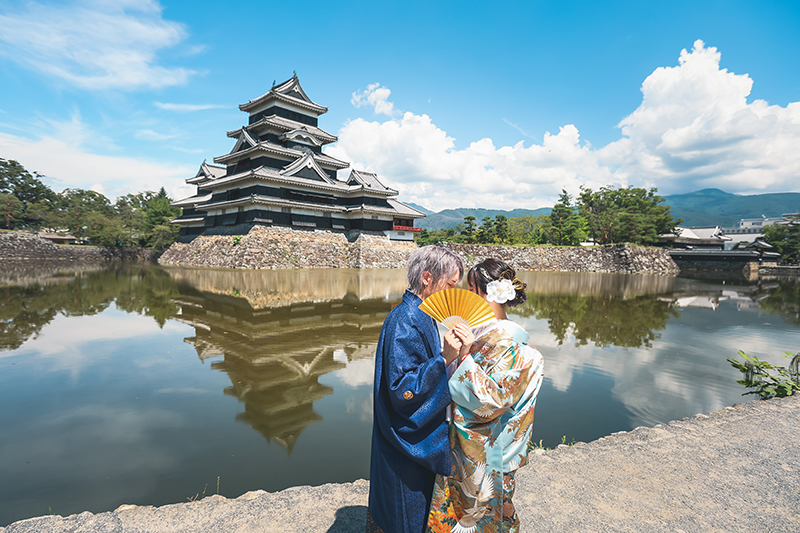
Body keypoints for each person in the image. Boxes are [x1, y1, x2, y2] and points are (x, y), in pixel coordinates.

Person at [426, 258, 545, 533]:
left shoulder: (504, 343)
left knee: (481, 512)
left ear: (483, 293)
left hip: (491, 446)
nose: (466, 296)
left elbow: (490, 402)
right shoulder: (500, 338)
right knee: (490, 509)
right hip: (499, 443)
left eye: (469, 288)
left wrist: (464, 357)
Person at [367, 245, 474, 533]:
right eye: (450, 285)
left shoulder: (422, 314)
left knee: (412, 506)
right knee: (405, 511)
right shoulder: (404, 319)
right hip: (404, 437)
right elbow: (401, 389)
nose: (452, 293)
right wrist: (444, 359)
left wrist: (452, 356)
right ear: (427, 277)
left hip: (412, 428)